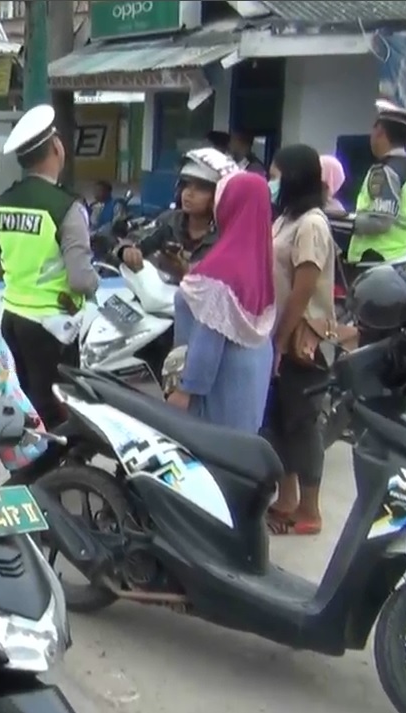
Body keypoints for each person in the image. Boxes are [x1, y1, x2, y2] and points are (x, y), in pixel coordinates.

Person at [0, 103, 99, 429]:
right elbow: (80, 280)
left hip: (12, 320)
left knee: (22, 405)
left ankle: (27, 468)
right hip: (53, 326)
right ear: (56, 147)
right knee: (56, 411)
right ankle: (56, 476)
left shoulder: (0, 205)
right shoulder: (68, 208)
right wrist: (94, 283)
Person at [263, 145, 338, 536]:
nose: (271, 182)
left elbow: (304, 287)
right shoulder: (285, 220)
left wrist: (282, 338)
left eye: (276, 175)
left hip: (301, 339)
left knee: (302, 422)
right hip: (277, 332)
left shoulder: (312, 224)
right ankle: (287, 498)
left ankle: (310, 507)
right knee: (277, 418)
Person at [167, 172, 276, 433]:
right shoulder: (258, 256)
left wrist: (185, 391)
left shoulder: (222, 268)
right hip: (252, 376)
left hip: (221, 383)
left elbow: (207, 340)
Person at [118, 148, 238, 277]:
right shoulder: (170, 220)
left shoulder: (228, 235)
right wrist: (127, 249)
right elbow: (138, 237)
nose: (188, 193)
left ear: (219, 194)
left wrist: (187, 272)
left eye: (201, 188)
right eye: (186, 185)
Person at [347, 100, 406, 270]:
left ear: (380, 132)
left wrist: (345, 222)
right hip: (402, 260)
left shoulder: (384, 171)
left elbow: (380, 222)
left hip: (374, 261)